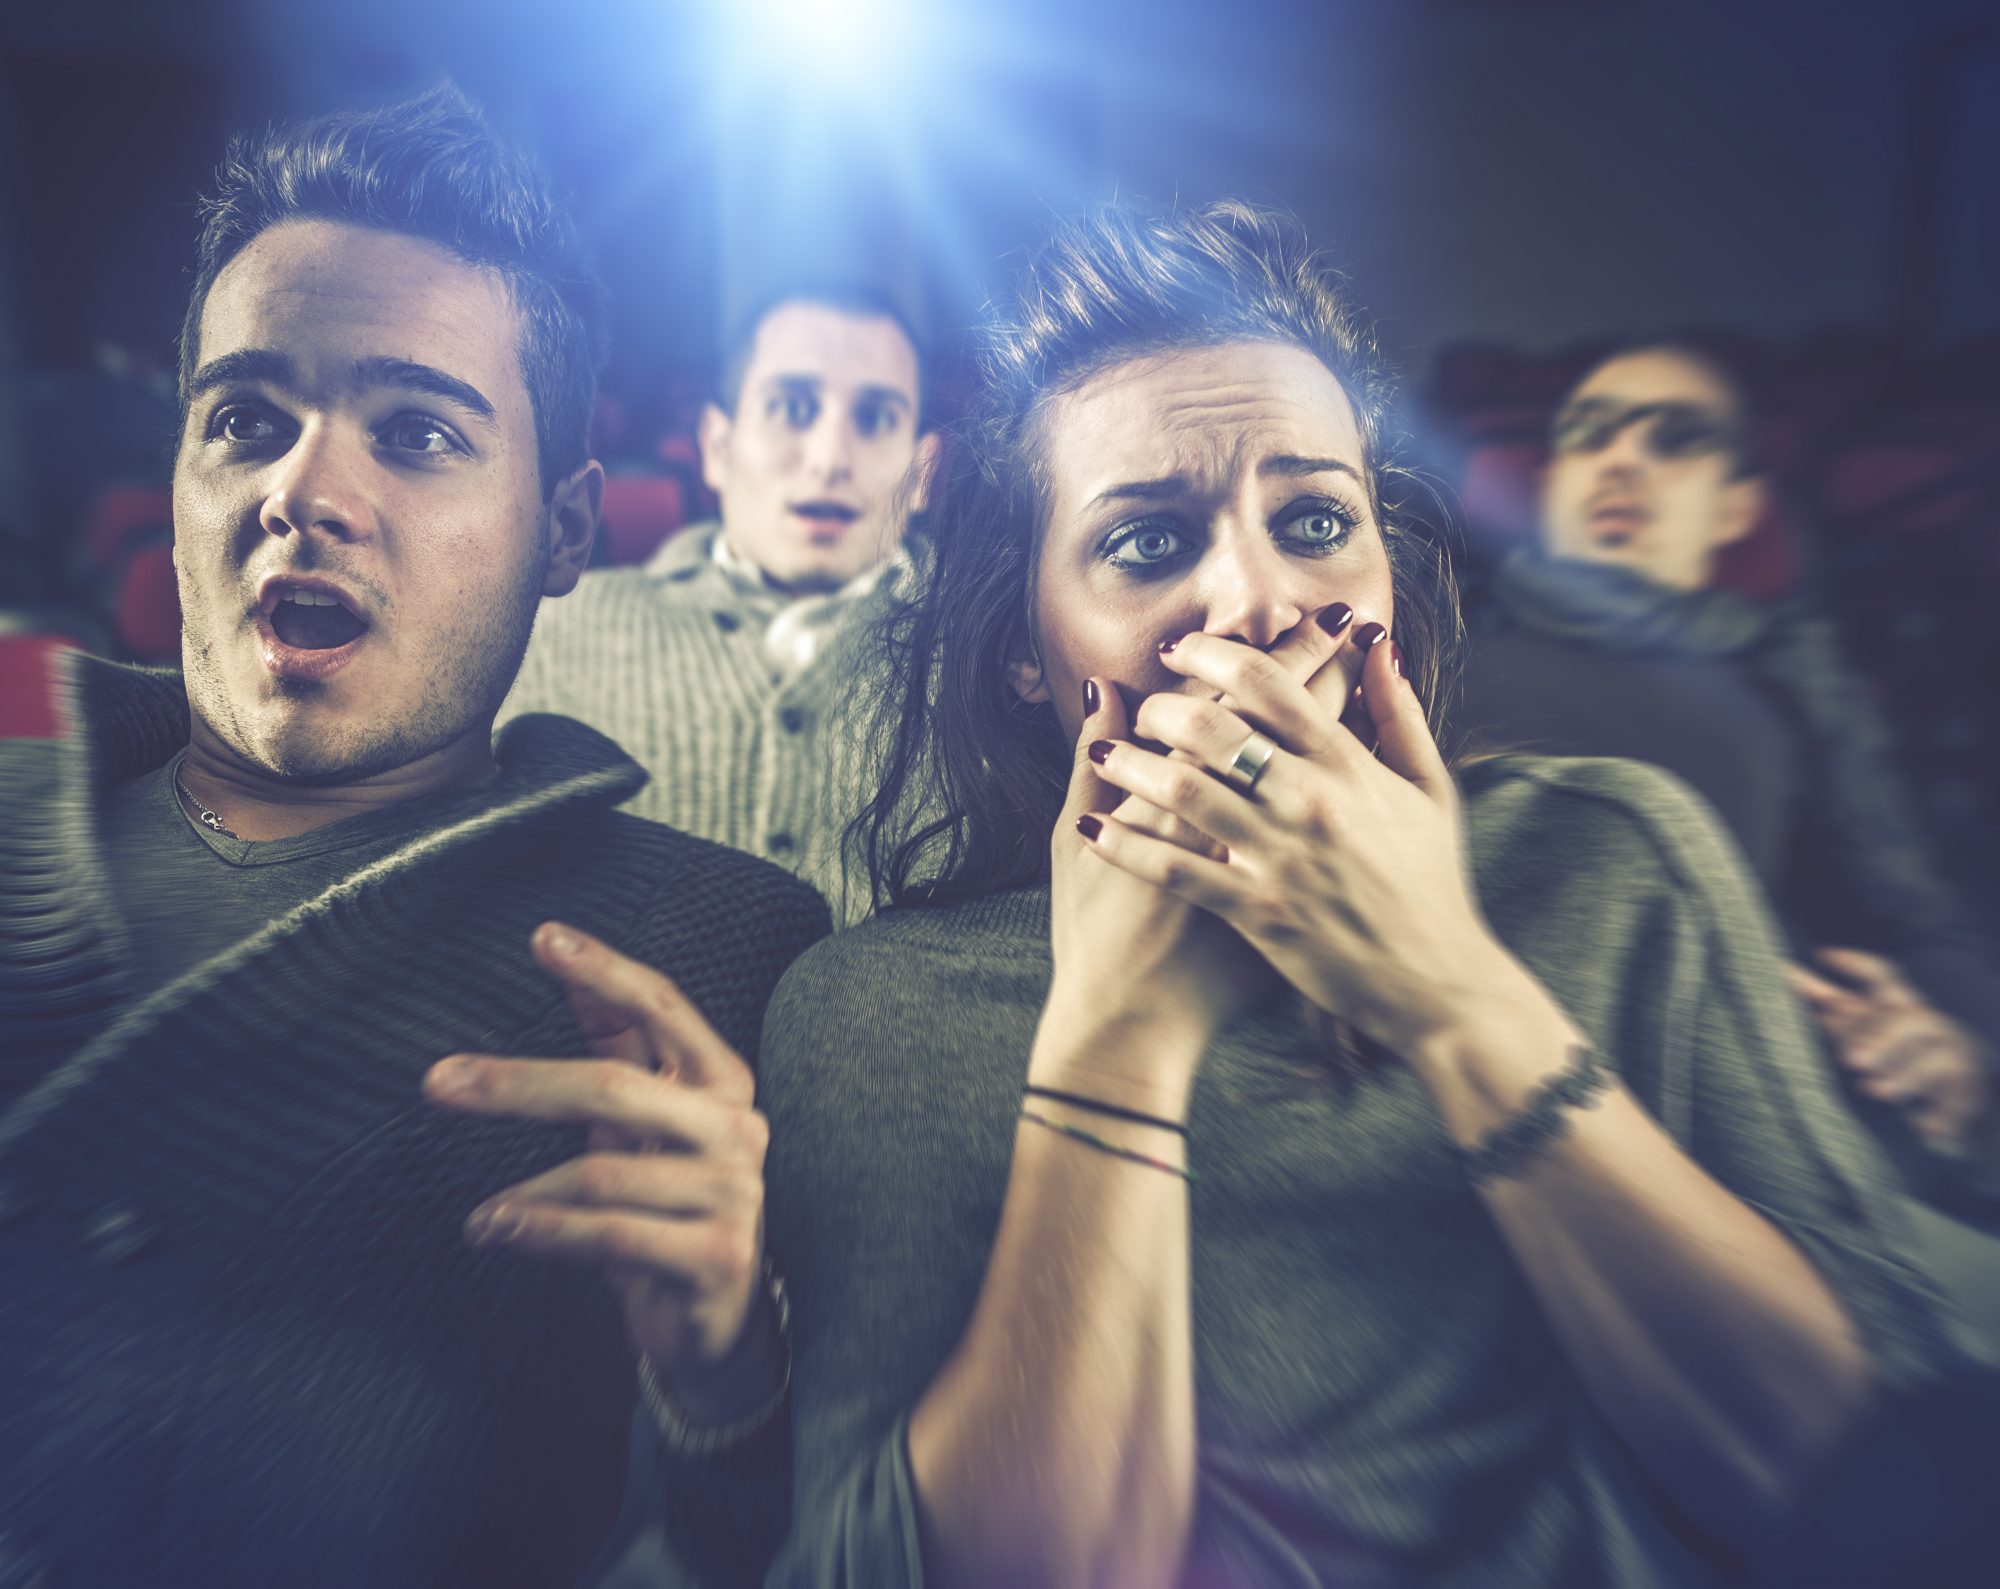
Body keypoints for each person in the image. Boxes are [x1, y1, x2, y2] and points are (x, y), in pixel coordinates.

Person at [461, 203, 1961, 1587]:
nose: (1253, 598)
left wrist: (1450, 987)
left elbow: (1900, 1494)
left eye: (1314, 521)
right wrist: (1119, 1037)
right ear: (1023, 650)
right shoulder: (882, 1011)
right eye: (1146, 542)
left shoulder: (1620, 860)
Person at [0, 88, 826, 1589]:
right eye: (243, 421)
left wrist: (728, 1395)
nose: (301, 493)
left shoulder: (724, 958)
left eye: (420, 433)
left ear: (566, 531)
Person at [1452, 344, 1999, 1196]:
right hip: (1451, 1095)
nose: (1622, 459)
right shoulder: (1435, 643)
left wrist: (1962, 1045)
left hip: (1734, 1128)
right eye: (1590, 436)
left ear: (1737, 507)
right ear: (1552, 481)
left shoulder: (1793, 680)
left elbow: (1910, 912)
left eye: (1676, 440)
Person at [500, 285, 936, 923]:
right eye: (791, 407)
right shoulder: (546, 633)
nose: (828, 460)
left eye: (874, 420)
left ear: (922, 470)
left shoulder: (1006, 667)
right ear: (718, 447)